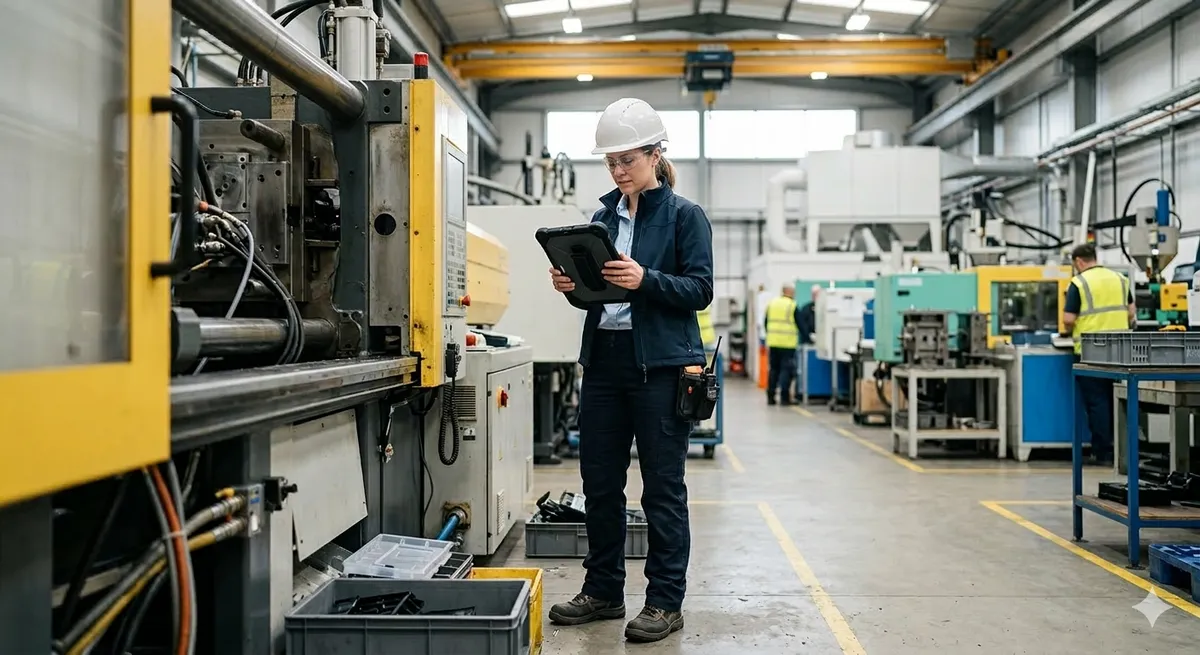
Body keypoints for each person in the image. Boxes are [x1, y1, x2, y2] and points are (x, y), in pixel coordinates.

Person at [546, 97, 714, 643]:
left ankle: (665, 601)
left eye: (628, 160)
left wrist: (646, 280)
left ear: (655, 155)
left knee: (662, 490)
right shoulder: (601, 219)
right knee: (599, 485)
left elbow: (700, 289)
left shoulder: (685, 216)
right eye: (611, 163)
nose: (619, 171)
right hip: (605, 365)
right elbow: (601, 299)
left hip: (661, 368)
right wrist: (574, 290)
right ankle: (603, 591)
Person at [1062, 243, 1135, 466]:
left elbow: (1068, 320)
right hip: (1121, 351)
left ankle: (1102, 451)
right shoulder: (1120, 279)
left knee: (1097, 402)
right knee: (1119, 399)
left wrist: (1066, 332)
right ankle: (1123, 450)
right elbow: (1132, 314)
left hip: (1090, 351)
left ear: (1078, 262)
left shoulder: (1079, 283)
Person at [763, 284, 808, 405]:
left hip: (773, 342)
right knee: (785, 371)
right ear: (790, 292)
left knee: (773, 370)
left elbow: (766, 322)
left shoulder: (772, 303)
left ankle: (771, 397)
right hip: (787, 344)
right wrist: (808, 338)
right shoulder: (792, 305)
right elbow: (801, 324)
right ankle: (784, 398)